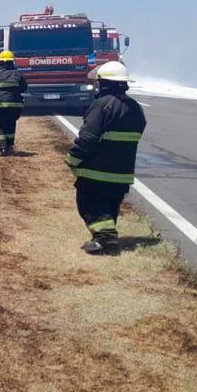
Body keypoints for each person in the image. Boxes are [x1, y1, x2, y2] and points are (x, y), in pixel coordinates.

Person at [65, 61, 147, 254]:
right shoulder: (135, 107)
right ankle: (105, 238)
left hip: (97, 170)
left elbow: (88, 138)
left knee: (89, 203)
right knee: (109, 207)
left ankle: (106, 240)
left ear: (105, 83)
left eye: (99, 82)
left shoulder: (102, 105)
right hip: (122, 173)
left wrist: (72, 159)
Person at [0, 50, 27, 156]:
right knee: (10, 124)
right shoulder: (17, 74)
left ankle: (0, 149)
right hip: (13, 106)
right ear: (12, 62)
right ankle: (9, 146)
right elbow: (24, 87)